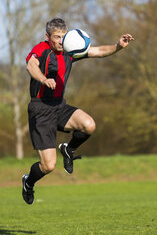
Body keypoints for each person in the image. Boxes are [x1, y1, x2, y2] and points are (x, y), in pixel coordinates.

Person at [22, 18, 134, 205]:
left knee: (89, 125)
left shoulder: (69, 50)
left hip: (58, 106)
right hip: (40, 109)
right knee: (48, 166)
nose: (60, 41)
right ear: (47, 36)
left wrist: (118, 46)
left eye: (63, 36)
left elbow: (97, 51)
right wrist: (43, 79)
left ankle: (69, 149)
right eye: (56, 37)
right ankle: (29, 181)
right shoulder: (41, 49)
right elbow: (31, 65)